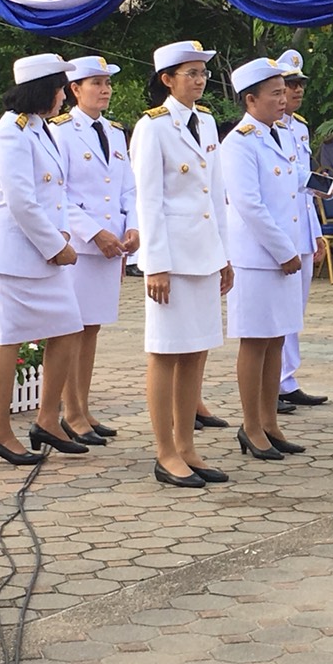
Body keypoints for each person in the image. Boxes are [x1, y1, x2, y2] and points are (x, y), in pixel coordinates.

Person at [0, 53, 89, 466]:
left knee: (68, 328)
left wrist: (63, 235)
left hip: (45, 252)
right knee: (7, 340)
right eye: (59, 90)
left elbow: (55, 192)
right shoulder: (11, 132)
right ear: (42, 91)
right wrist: (55, 246)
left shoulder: (40, 128)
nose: (63, 97)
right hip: (13, 254)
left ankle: (47, 420)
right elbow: (21, 201)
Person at [131, 40, 233, 490]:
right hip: (171, 259)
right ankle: (165, 451)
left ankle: (187, 446)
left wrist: (224, 255)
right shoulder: (152, 127)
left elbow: (216, 195)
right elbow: (149, 201)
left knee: (196, 351)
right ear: (167, 79)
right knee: (166, 352)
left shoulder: (206, 121)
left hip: (204, 254)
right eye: (190, 73)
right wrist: (154, 265)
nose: (200, 80)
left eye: (202, 72)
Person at [49, 55, 138, 446]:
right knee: (73, 328)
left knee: (93, 327)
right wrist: (94, 232)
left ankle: (83, 407)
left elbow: (128, 187)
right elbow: (59, 194)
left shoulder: (114, 132)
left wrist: (132, 226)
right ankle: (70, 412)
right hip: (81, 245)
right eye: (96, 83)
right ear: (75, 89)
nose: (105, 90)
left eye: (107, 83)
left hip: (111, 245)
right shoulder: (61, 132)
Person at [223, 57, 308, 462]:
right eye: (274, 93)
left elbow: (293, 187)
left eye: (283, 91)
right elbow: (249, 205)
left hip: (284, 254)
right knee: (255, 341)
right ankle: (251, 425)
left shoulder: (283, 135)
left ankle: (270, 422)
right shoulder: (239, 142)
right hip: (257, 258)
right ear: (251, 99)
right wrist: (284, 251)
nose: (283, 99)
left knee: (277, 339)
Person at [274, 48, 329, 410]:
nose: (296, 90)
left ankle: (287, 378)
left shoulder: (300, 127)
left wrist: (316, 232)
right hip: (280, 231)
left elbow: (305, 188)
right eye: (290, 84)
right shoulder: (267, 129)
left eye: (299, 84)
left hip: (303, 227)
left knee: (296, 310)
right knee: (278, 311)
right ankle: (273, 382)